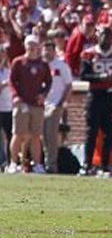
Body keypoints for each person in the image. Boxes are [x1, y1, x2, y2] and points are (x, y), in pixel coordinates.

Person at [9, 35, 52, 173]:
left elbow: (49, 82)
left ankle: (37, 164)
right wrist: (15, 96)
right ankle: (13, 163)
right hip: (22, 103)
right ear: (25, 46)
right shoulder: (18, 62)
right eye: (30, 44)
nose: (32, 47)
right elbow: (11, 81)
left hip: (36, 104)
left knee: (36, 135)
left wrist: (43, 95)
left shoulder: (43, 64)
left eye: (35, 44)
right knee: (18, 133)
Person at [80, 25, 112, 176]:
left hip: (110, 96)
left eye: (108, 34)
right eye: (102, 34)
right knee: (91, 131)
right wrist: (101, 78)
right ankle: (87, 164)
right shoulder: (89, 53)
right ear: (97, 35)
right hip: (95, 95)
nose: (105, 37)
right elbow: (83, 75)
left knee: (109, 132)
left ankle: (105, 165)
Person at [42, 38, 74, 173]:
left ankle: (52, 165)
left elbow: (68, 85)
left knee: (51, 135)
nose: (47, 52)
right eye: (45, 50)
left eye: (50, 50)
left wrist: (62, 102)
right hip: (40, 105)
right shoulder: (39, 65)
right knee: (41, 135)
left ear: (54, 51)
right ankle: (41, 163)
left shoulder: (61, 66)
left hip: (55, 104)